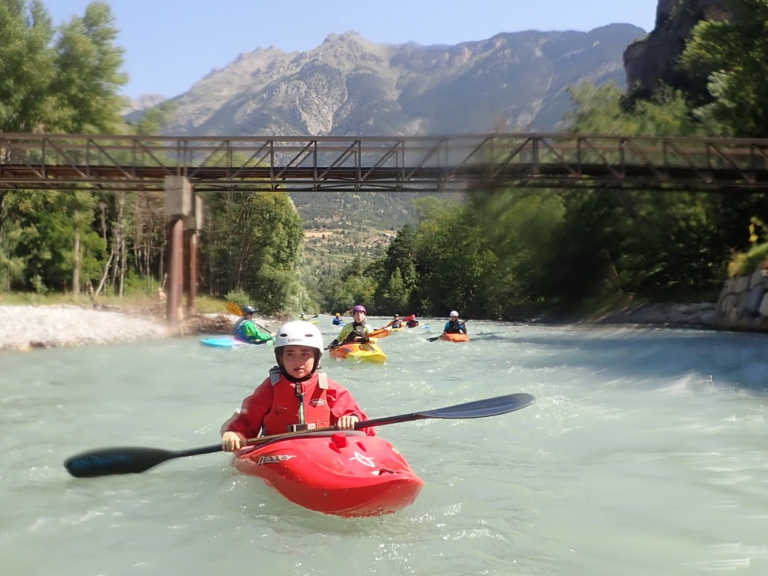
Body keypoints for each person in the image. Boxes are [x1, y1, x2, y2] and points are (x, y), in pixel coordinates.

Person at [221, 321, 374, 451]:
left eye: (305, 354)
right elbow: (246, 421)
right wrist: (233, 434)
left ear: (316, 357)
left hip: (322, 450)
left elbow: (366, 427)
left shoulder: (329, 389)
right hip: (278, 451)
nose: (297, 362)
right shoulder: (270, 389)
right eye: (290, 354)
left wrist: (353, 419)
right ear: (280, 358)